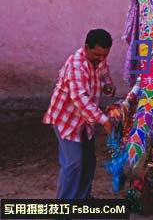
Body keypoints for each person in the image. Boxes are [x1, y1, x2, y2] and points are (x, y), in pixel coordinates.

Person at [43, 28, 116, 199]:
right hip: (66, 120)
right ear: (86, 48)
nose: (101, 59)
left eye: (105, 55)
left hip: (85, 121)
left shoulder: (100, 60)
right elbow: (80, 99)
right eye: (97, 55)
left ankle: (82, 200)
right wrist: (104, 120)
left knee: (89, 162)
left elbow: (104, 75)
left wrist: (108, 85)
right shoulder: (76, 64)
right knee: (73, 164)